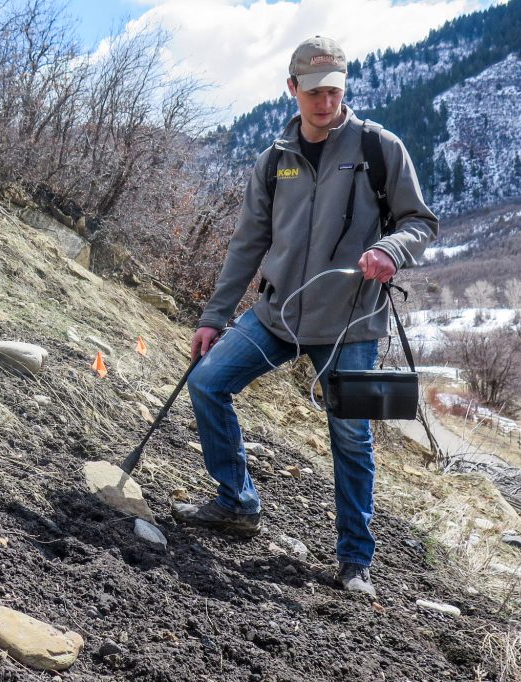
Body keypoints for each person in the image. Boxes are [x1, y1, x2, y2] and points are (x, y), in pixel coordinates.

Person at [173, 36, 438, 597]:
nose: (326, 103)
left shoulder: (378, 148)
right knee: (207, 383)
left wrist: (390, 250)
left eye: (335, 91)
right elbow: (248, 244)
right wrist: (213, 317)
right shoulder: (274, 160)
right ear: (292, 89)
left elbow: (420, 222)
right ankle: (236, 502)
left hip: (350, 325)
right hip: (276, 315)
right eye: (314, 92)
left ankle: (354, 562)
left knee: (351, 439)